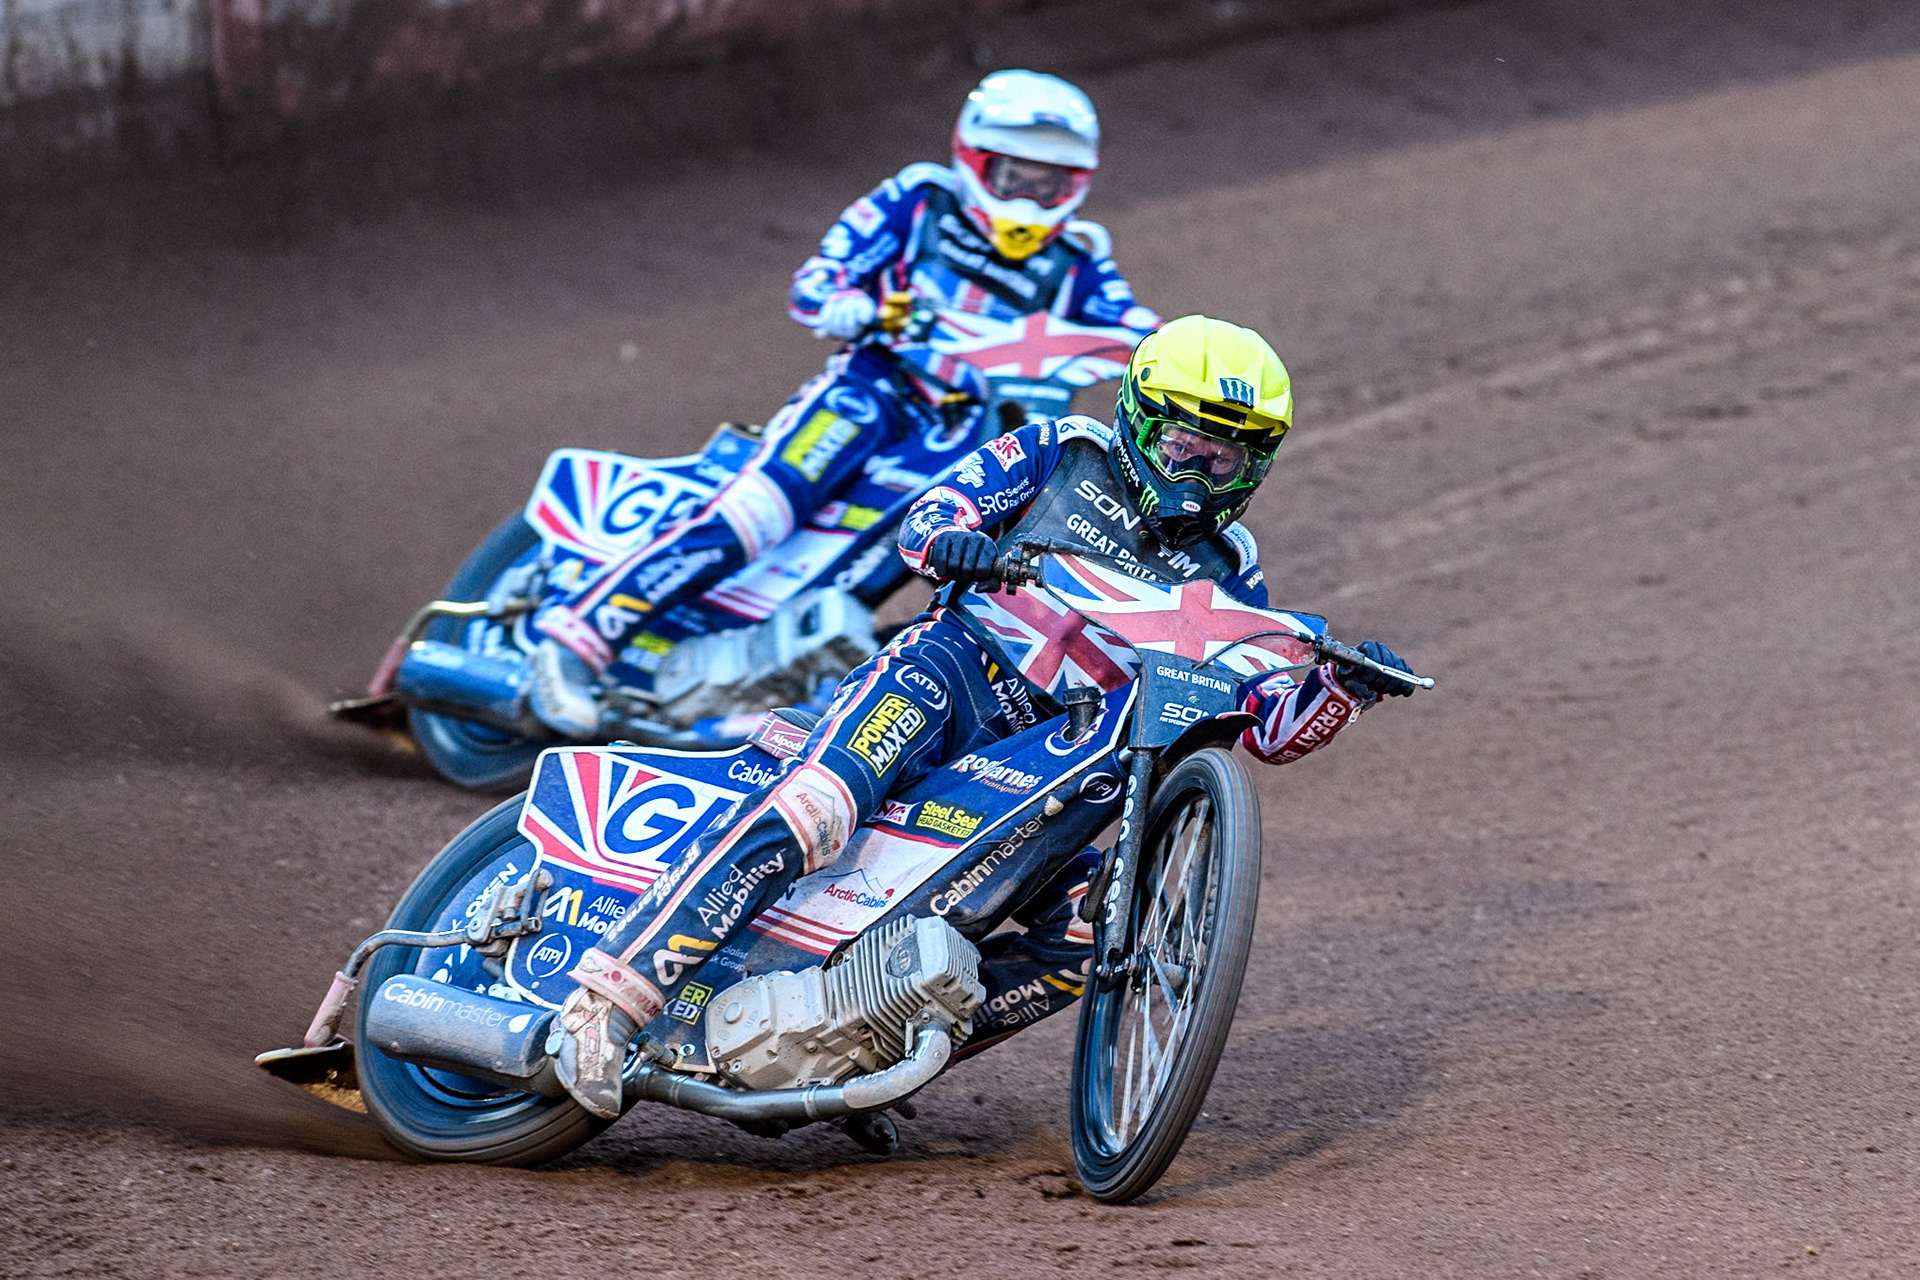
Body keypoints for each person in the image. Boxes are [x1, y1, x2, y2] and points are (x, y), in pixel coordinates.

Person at [547, 315, 1422, 1118]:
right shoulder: (1057, 451)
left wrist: (1343, 691)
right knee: (817, 808)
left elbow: (1265, 727)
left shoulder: (1233, 568)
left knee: (1089, 934)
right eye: (1189, 442)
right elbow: (928, 516)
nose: (1202, 471)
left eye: (1228, 459)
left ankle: (862, 1051)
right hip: (951, 673)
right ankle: (606, 1005)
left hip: (1060, 751)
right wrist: (955, 543)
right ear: (1140, 417)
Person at [525, 69, 1161, 737]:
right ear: (976, 162)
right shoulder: (919, 199)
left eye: (1050, 184)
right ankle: (574, 641)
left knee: (909, 557)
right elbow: (815, 286)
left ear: (1078, 184)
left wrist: (1169, 356)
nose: (1031, 198)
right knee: (760, 511)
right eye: (1016, 178)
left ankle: (757, 695)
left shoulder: (1081, 261)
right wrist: (874, 311)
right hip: (871, 392)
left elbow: (1139, 334)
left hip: (961, 433)